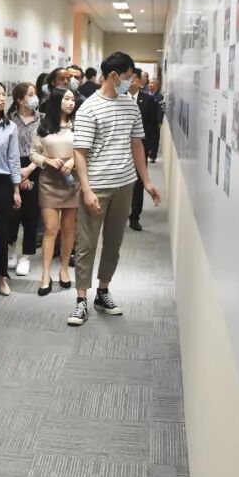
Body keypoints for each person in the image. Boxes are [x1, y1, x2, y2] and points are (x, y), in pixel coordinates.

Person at [69, 52, 161, 327]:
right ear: (113, 76)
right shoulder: (88, 108)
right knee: (87, 243)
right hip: (97, 186)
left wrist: (146, 181)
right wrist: (86, 189)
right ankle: (81, 299)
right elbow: (80, 153)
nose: (132, 81)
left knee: (113, 242)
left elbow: (137, 144)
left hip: (124, 184)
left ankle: (103, 291)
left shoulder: (131, 106)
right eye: (128, 76)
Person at [30, 87, 80, 295]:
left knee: (69, 229)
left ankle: (64, 270)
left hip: (72, 182)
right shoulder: (43, 127)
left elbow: (88, 150)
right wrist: (47, 160)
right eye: (67, 99)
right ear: (57, 101)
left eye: (73, 99)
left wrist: (73, 160)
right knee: (51, 228)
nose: (71, 102)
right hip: (49, 182)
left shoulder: (78, 125)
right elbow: (33, 153)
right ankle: (45, 275)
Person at [0, 81, 22, 301]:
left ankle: (0, 275)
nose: (2, 98)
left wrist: (16, 189)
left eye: (3, 94)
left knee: (1, 232)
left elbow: (13, 159)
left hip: (1, 183)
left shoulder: (10, 127)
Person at [7, 83, 42, 277]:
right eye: (30, 94)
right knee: (13, 211)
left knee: (30, 214)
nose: (34, 97)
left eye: (34, 94)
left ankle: (26, 256)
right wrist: (17, 174)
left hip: (34, 166)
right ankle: (11, 249)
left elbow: (45, 147)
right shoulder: (9, 119)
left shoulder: (42, 119)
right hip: (13, 166)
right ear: (20, 100)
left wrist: (29, 170)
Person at [128, 70, 162, 231]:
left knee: (138, 182)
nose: (130, 81)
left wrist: (149, 149)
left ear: (140, 81)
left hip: (140, 148)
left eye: (133, 78)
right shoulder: (117, 99)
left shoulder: (148, 100)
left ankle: (134, 216)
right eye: (127, 78)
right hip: (120, 149)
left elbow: (154, 127)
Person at [147, 78, 165, 163]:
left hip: (155, 122)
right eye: (149, 83)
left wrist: (159, 121)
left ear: (157, 85)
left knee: (154, 139)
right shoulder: (144, 94)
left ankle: (153, 156)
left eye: (152, 83)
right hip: (146, 120)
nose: (150, 84)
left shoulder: (159, 97)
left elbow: (161, 110)